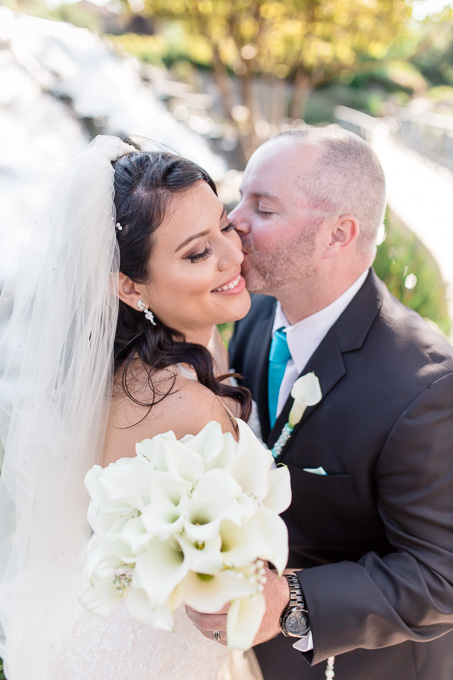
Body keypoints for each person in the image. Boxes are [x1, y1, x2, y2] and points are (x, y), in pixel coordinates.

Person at [187, 127, 453, 679]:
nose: (235, 221)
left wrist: (294, 602)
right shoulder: (256, 314)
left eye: (263, 207)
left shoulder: (426, 386)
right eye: (241, 199)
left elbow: (442, 574)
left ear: (339, 233)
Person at [0, 136, 263, 680]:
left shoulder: (149, 358)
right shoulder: (184, 406)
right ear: (128, 286)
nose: (234, 255)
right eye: (197, 253)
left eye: (226, 226)